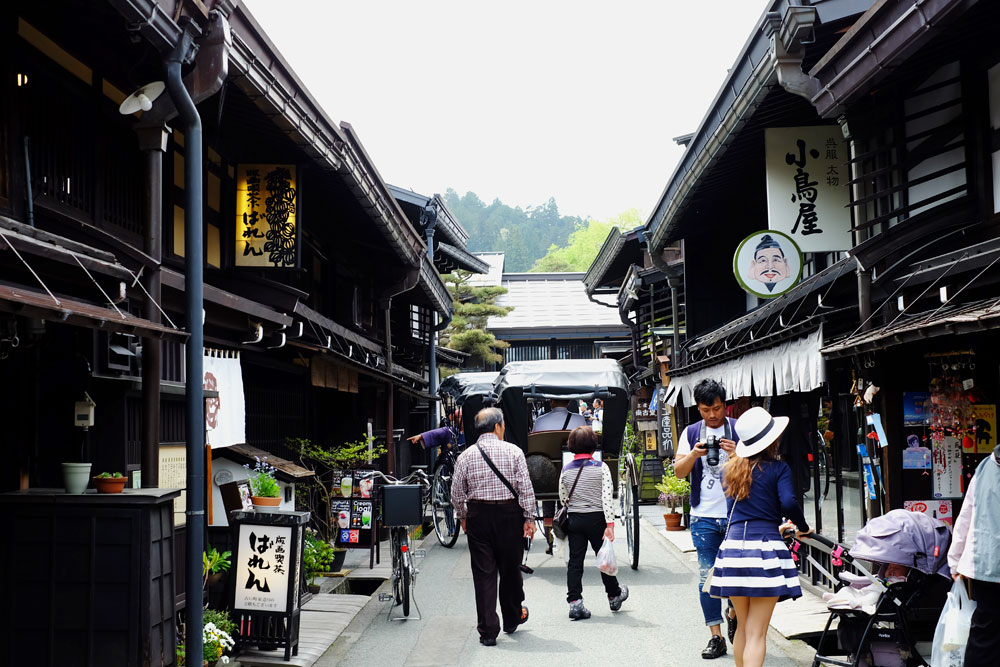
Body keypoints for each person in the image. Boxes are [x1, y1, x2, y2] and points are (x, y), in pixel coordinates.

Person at [708, 406, 811, 667]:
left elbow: (741, 510)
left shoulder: (729, 470)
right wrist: (802, 525)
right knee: (757, 633)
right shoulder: (778, 469)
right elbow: (788, 502)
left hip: (732, 550)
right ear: (771, 440)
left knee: (743, 627)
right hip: (763, 551)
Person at [450, 407, 537, 646]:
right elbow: (525, 488)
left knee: (484, 574)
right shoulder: (514, 452)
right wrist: (530, 519)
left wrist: (463, 516)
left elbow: (456, 492)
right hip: (510, 515)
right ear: (497, 426)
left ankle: (488, 631)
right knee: (510, 570)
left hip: (479, 516)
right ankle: (511, 619)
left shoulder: (465, 456)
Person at [673, 378, 739, 659]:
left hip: (737, 514)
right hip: (703, 517)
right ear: (698, 408)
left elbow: (759, 468)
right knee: (706, 578)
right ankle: (716, 636)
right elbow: (678, 472)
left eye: (717, 408)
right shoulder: (690, 433)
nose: (712, 415)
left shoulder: (738, 429)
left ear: (725, 405)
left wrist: (737, 453)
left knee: (738, 576)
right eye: (705, 410)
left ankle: (734, 612)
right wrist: (693, 454)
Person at [560, 426, 628, 619]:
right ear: (593, 446)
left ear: (572, 446)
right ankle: (614, 595)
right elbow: (607, 498)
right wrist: (610, 524)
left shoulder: (566, 469)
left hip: (575, 519)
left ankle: (575, 603)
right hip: (597, 518)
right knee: (604, 559)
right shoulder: (601, 467)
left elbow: (563, 495)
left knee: (575, 562)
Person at [947, 443, 1000, 667]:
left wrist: (955, 561)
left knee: (985, 634)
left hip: (984, 566)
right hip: (986, 565)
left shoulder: (985, 467)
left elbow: (966, 517)